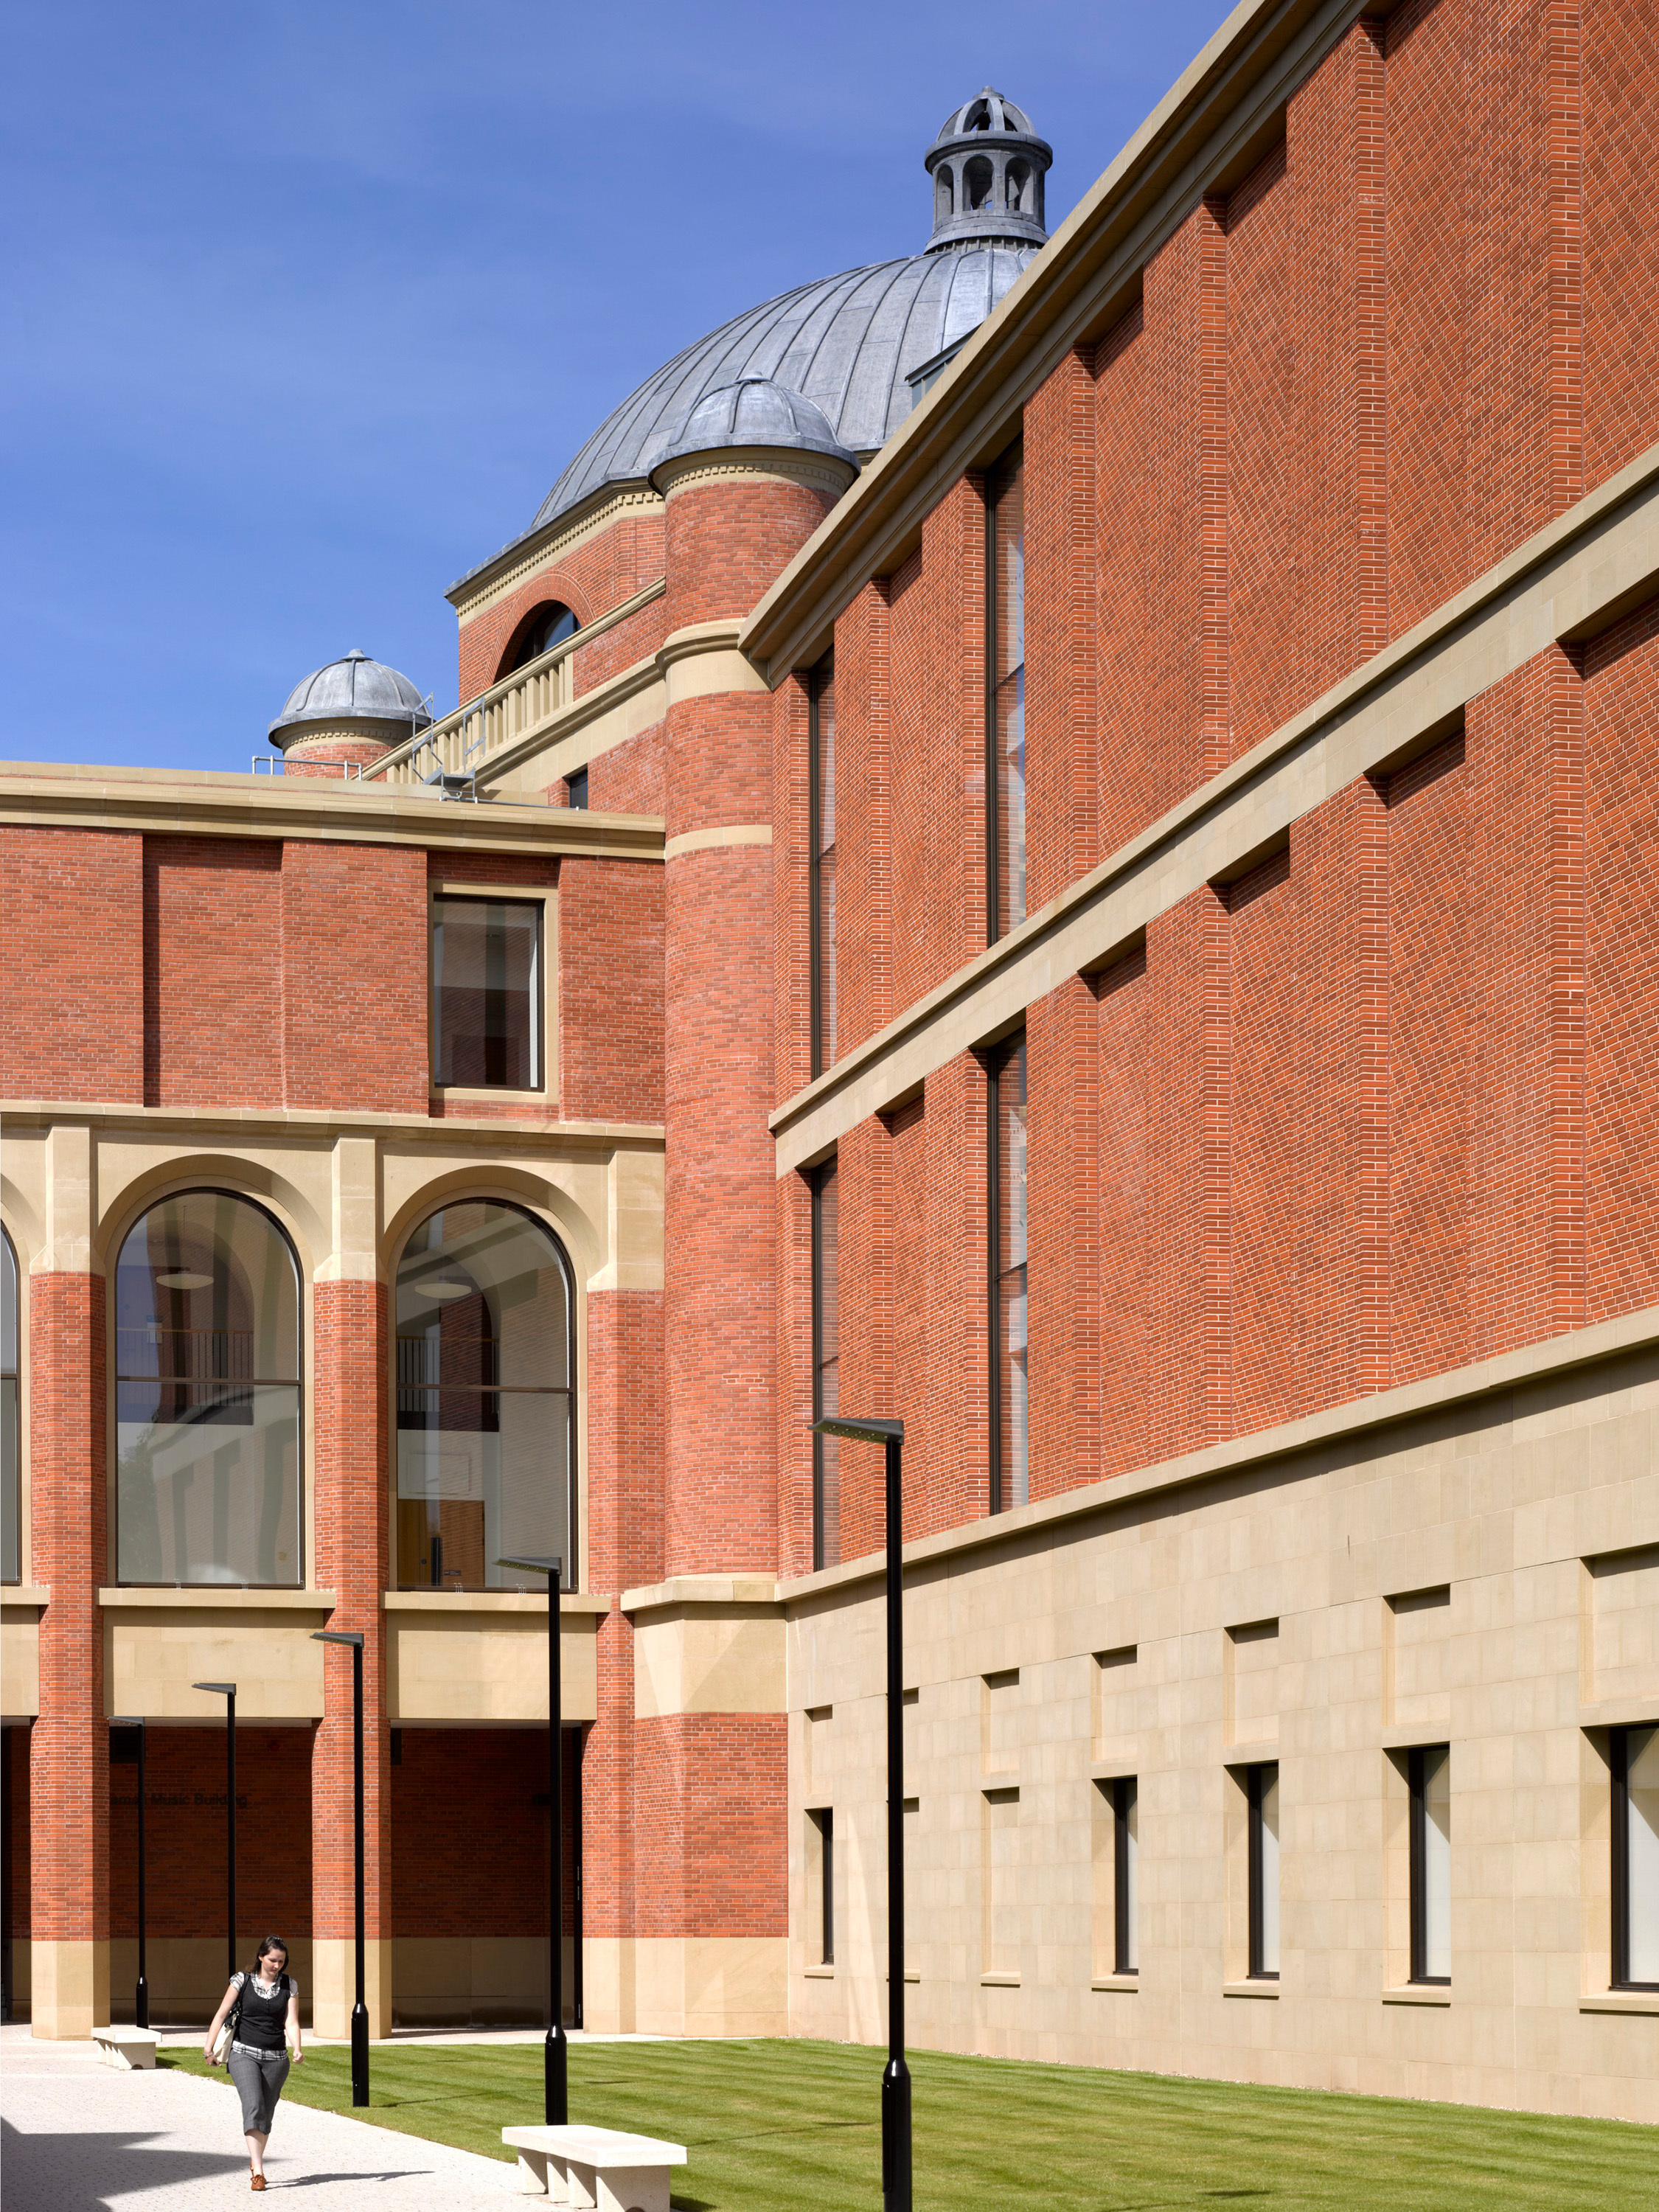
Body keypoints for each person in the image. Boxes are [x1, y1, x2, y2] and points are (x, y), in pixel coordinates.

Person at [204, 1935, 305, 2191]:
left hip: (276, 2059)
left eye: (281, 1961)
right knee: (254, 2106)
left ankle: (255, 2160)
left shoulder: (289, 1986)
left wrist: (297, 2047)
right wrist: (208, 2048)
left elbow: (291, 2022)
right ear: (261, 1957)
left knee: (266, 2116)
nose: (277, 1965)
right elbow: (222, 2013)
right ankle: (258, 2171)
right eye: (272, 1960)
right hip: (243, 2053)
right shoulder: (242, 1981)